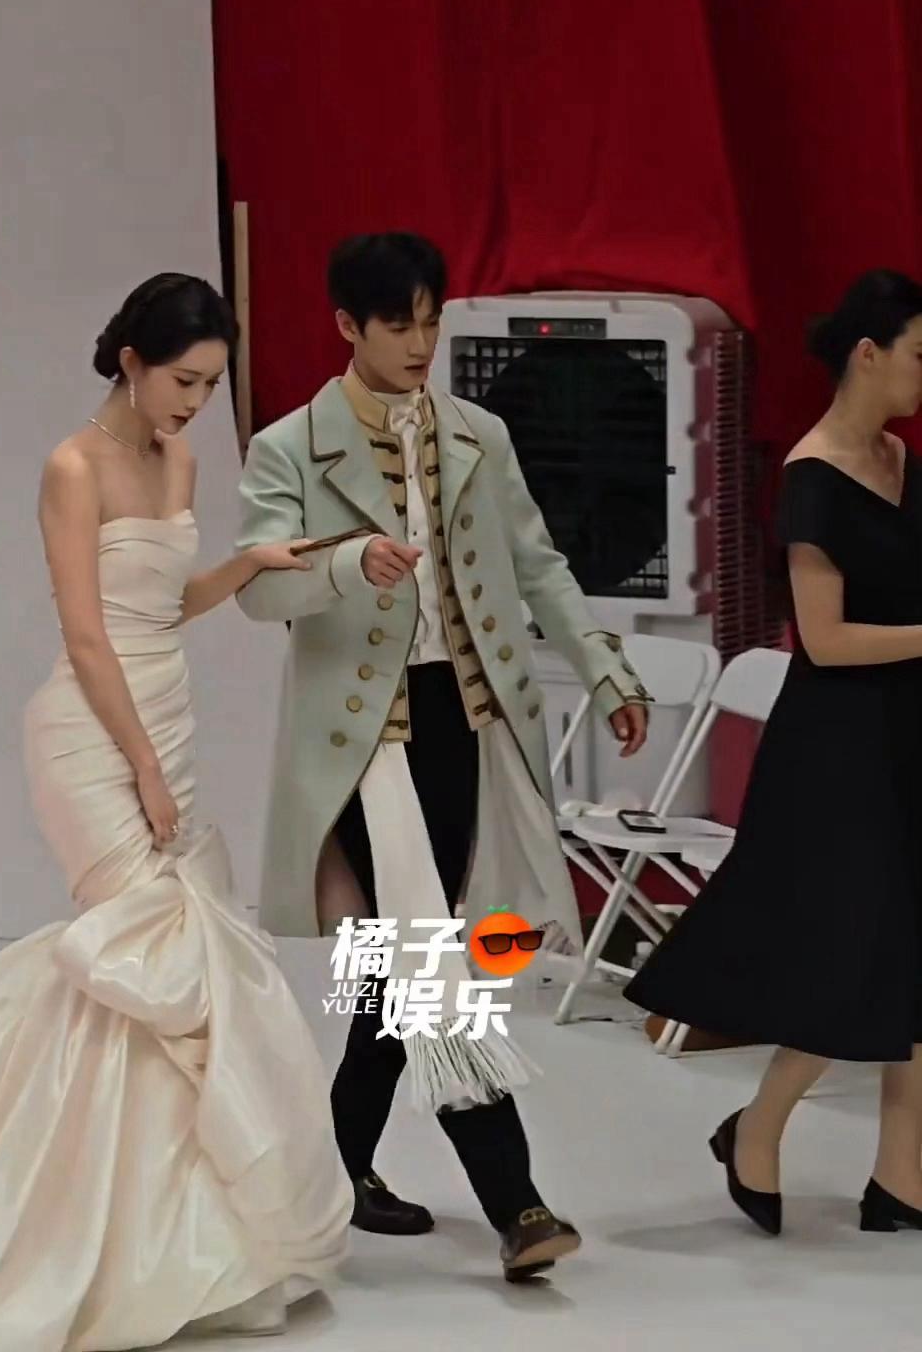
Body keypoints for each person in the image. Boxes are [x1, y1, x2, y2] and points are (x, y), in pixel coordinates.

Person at [0, 273, 352, 1347]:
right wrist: (143, 769)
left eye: (210, 387)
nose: (193, 405)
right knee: (148, 953)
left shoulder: (180, 461)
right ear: (130, 361)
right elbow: (86, 635)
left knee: (146, 977)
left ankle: (150, 1226)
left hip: (164, 719)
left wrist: (244, 566)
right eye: (183, 381)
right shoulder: (73, 467)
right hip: (90, 734)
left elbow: (162, 608)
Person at [235, 232, 651, 1282]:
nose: (421, 343)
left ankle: (327, 1175)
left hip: (466, 723)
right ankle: (517, 1202)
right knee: (430, 962)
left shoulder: (478, 433)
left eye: (432, 320)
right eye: (398, 324)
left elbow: (538, 564)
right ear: (347, 326)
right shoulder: (290, 447)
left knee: (391, 973)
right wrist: (345, 565)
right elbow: (258, 589)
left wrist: (606, 672)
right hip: (367, 742)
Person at [626, 268, 922, 1238]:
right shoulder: (811, 479)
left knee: (910, 957)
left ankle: (903, 1178)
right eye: (920, 355)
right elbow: (825, 641)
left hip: (906, 732)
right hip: (838, 749)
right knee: (851, 957)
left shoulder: (901, 460)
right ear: (869, 355)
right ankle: (757, 1126)